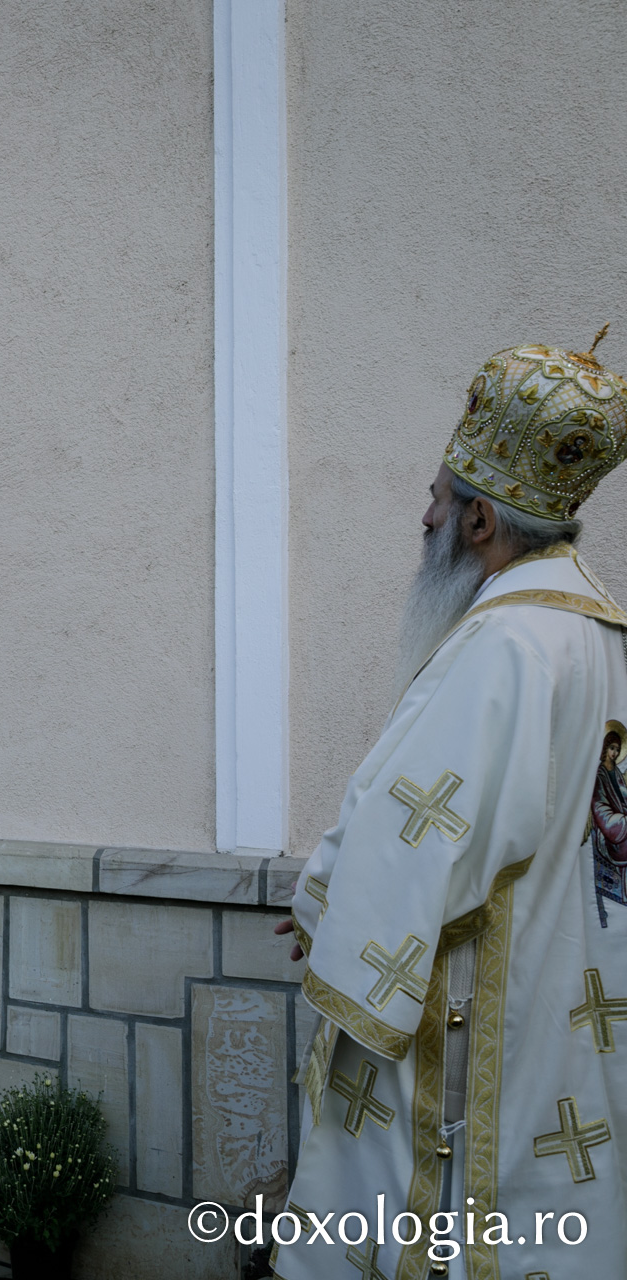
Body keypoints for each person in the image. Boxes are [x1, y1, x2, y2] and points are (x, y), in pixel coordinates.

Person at [275, 338, 627, 1277]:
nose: (422, 514)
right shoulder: (599, 636)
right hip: (570, 994)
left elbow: (415, 822)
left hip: (479, 1011)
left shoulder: (504, 642)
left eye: (438, 497)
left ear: (479, 523)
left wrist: (322, 904)